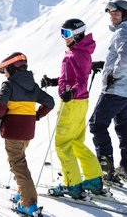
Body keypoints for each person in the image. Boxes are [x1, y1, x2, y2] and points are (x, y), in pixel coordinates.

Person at [40, 19, 105, 199]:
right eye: (62, 33)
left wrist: (70, 93)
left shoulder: (76, 54)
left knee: (62, 145)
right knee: (76, 142)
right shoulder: (80, 51)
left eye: (66, 34)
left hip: (72, 103)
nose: (64, 38)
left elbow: (80, 82)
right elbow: (74, 77)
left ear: (77, 34)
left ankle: (72, 185)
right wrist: (54, 82)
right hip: (80, 102)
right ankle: (94, 180)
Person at [89, 0, 127, 186]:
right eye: (111, 13)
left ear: (125, 15)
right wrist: (105, 65)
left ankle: (106, 170)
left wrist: (114, 75)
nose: (112, 17)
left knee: (97, 125)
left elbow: (126, 57)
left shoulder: (122, 32)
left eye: (116, 14)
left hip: (117, 89)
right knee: (123, 127)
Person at [0, 52, 54, 216]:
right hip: (27, 132)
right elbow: (50, 102)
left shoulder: (9, 85)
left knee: (18, 165)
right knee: (19, 161)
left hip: (13, 131)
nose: (4, 74)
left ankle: (28, 204)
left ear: (12, 68)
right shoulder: (33, 86)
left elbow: (0, 103)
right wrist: (36, 115)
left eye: (4, 70)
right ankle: (23, 192)